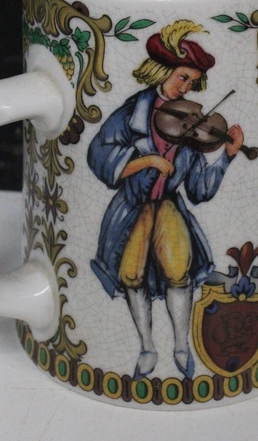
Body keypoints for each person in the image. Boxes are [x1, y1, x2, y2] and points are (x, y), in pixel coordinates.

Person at [87, 20, 243, 379]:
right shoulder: (134, 112)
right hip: (133, 207)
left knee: (178, 271)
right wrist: (146, 161)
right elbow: (99, 155)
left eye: (191, 82)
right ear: (162, 71)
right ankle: (146, 347)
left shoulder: (190, 121)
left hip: (168, 205)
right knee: (130, 273)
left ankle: (181, 346)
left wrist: (227, 156)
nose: (185, 88)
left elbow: (200, 190)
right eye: (181, 77)